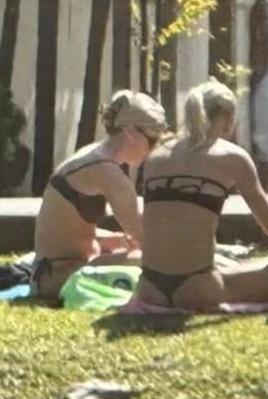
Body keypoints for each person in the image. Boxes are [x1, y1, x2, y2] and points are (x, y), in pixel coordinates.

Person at [134, 79, 268, 312]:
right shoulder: (231, 156)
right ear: (226, 117)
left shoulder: (156, 157)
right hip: (198, 290)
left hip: (149, 289)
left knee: (233, 265)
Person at [31, 90, 168, 299]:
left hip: (51, 271)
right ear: (131, 131)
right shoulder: (106, 171)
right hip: (58, 276)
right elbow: (144, 235)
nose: (153, 148)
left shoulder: (93, 156)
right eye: (152, 139)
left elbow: (64, 227)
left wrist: (112, 239)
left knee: (143, 257)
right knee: (163, 263)